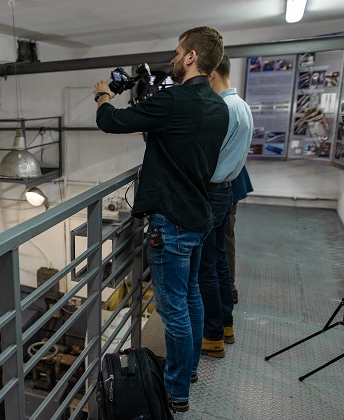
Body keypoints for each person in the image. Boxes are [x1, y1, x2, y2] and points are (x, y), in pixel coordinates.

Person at [94, 26, 228, 412]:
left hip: (171, 223)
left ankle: (177, 391)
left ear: (190, 57)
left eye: (177, 51)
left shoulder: (174, 102)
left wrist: (103, 96)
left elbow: (112, 121)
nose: (172, 57)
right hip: (198, 215)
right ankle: (188, 372)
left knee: (173, 312)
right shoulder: (218, 106)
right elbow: (177, 141)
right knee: (191, 297)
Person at [198, 53, 253, 358]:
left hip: (210, 193)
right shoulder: (241, 106)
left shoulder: (222, 108)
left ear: (211, 75)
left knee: (205, 268)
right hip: (226, 191)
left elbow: (206, 153)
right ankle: (226, 326)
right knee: (218, 263)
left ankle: (212, 337)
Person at [226, 165, 254, 305]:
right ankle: (228, 289)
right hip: (231, 184)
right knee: (226, 239)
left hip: (227, 186)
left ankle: (228, 289)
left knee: (225, 240)